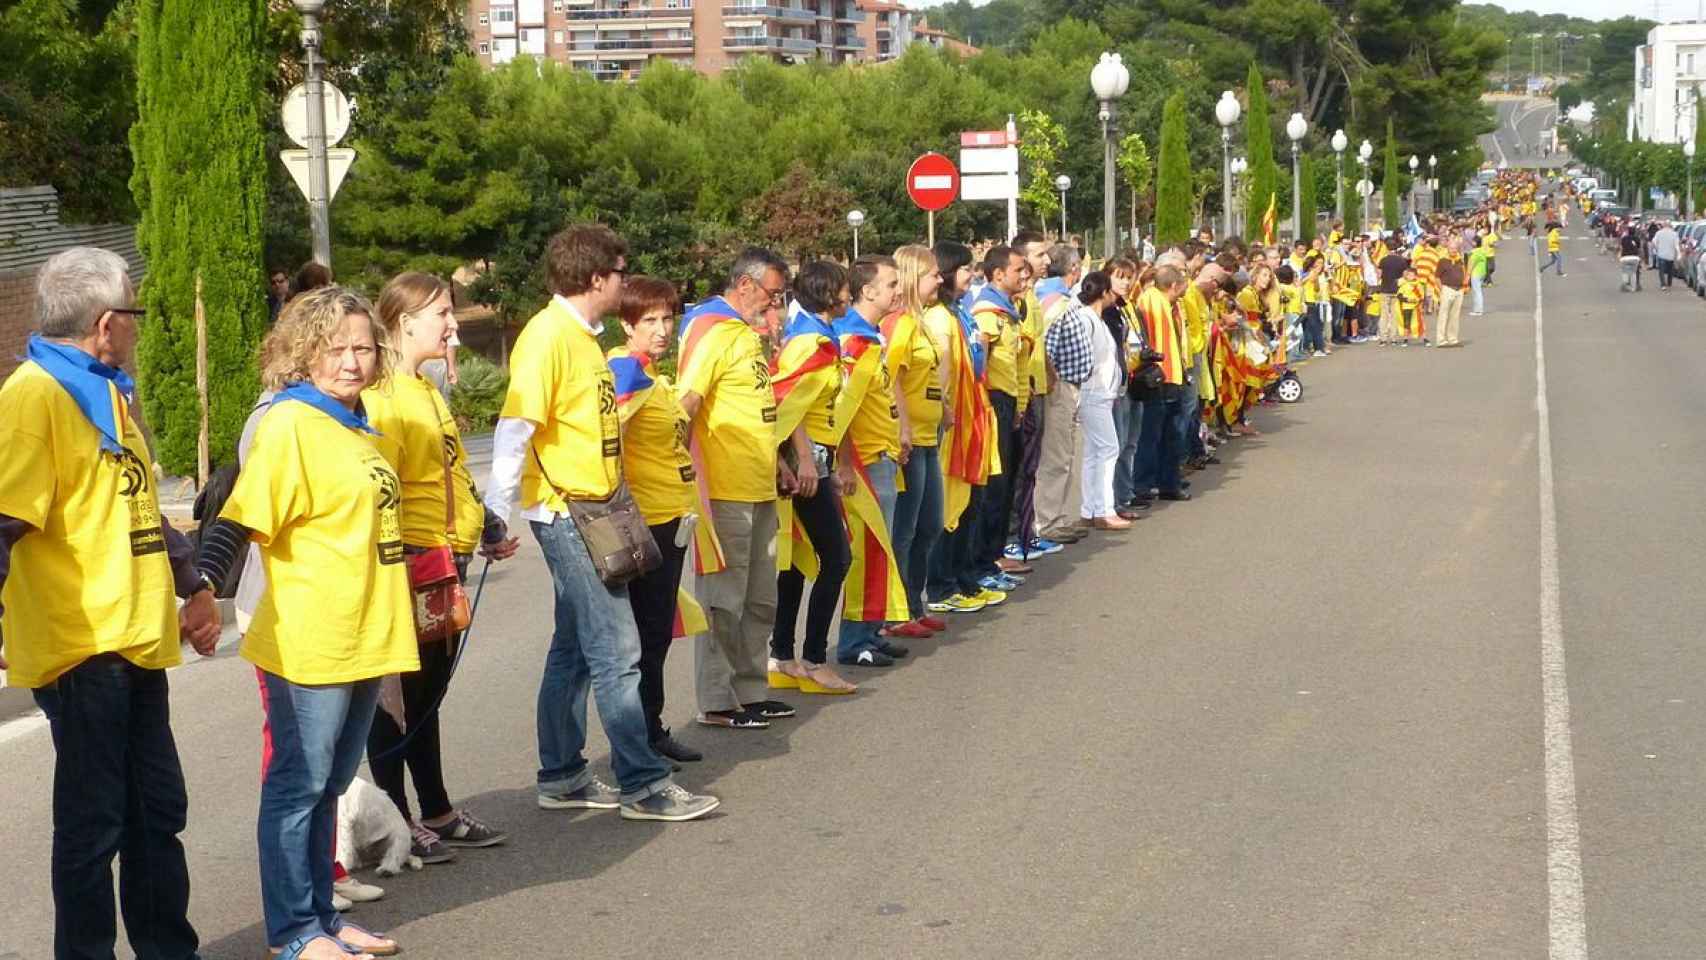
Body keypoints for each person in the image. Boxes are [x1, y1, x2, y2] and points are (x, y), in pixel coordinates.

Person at [0, 247, 220, 960]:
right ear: (105, 323)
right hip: (82, 644)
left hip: (132, 637)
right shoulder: (37, 396)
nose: (136, 327)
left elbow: (137, 506)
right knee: (95, 827)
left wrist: (194, 584)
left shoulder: (101, 389)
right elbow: (3, 519)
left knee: (157, 813)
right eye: (134, 313)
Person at [195, 285, 418, 960]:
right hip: (309, 639)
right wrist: (201, 586)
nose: (352, 361)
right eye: (335, 348)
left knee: (328, 790)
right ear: (303, 352)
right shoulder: (291, 423)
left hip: (363, 635)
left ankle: (323, 915)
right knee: (298, 789)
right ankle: (293, 932)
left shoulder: (352, 423)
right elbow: (237, 517)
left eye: (363, 347)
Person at [484, 224, 719, 820]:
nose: (624, 279)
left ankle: (562, 774)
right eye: (620, 271)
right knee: (618, 647)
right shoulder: (548, 338)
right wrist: (495, 513)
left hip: (592, 507)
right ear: (596, 278)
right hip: (569, 511)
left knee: (574, 649)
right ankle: (643, 784)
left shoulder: (581, 337)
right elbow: (516, 427)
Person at [362, 272, 517, 864]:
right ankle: (397, 818)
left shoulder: (422, 388)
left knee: (429, 694)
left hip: (441, 557)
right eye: (442, 314)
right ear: (403, 322)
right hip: (410, 560)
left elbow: (448, 472)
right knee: (398, 699)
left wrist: (484, 524)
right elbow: (385, 490)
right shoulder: (384, 397)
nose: (453, 324)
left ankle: (437, 808)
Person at [678, 247, 798, 726]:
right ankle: (718, 698)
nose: (775, 307)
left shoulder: (745, 336)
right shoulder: (713, 331)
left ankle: (750, 688)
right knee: (723, 600)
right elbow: (687, 402)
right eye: (771, 296)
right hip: (724, 487)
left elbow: (755, 408)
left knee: (760, 596)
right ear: (744, 285)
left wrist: (777, 463)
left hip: (758, 482)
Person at [606, 275, 713, 757]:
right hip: (644, 524)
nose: (663, 329)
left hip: (673, 519)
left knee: (658, 633)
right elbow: (605, 443)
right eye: (649, 320)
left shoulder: (651, 374)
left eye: (668, 318)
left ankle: (651, 728)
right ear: (626, 324)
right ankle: (642, 738)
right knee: (645, 637)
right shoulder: (626, 371)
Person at [768, 261, 859, 694]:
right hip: (809, 459)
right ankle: (814, 658)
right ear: (829, 293)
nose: (850, 294)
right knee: (836, 558)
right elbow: (790, 404)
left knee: (798, 561)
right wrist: (804, 458)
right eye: (845, 288)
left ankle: (784, 656)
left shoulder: (820, 338)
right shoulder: (811, 342)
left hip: (818, 456)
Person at [832, 255, 913, 668]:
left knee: (880, 550)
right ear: (867, 291)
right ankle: (852, 641)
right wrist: (845, 463)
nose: (899, 290)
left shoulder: (872, 334)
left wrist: (898, 431)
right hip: (862, 461)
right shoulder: (850, 339)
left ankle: (870, 631)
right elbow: (841, 407)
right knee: (864, 551)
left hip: (881, 454)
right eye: (892, 283)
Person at [924, 241, 1003, 616]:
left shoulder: (959, 313)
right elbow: (941, 375)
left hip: (973, 420)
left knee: (970, 504)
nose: (971, 275)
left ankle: (963, 579)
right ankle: (942, 584)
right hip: (953, 426)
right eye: (965, 269)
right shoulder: (939, 318)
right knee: (950, 509)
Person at [883, 246, 948, 641]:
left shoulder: (918, 321)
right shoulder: (901, 324)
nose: (939, 281)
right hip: (911, 441)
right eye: (933, 274)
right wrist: (903, 428)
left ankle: (912, 602)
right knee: (905, 531)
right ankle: (896, 610)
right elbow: (889, 378)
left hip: (929, 437)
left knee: (930, 525)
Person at [969, 245, 1029, 591]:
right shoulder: (988, 313)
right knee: (993, 484)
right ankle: (982, 561)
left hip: (1008, 401)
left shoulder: (1010, 311)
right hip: (991, 402)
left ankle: (992, 556)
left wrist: (1019, 405)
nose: (1024, 276)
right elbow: (982, 365)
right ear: (997, 274)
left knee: (1006, 481)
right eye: (1018, 270)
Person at [1030, 243, 1086, 545]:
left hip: (1067, 385)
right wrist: (1050, 382)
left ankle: (1059, 516)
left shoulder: (1059, 298)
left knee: (1065, 454)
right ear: (1073, 269)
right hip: (1058, 387)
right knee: (1056, 456)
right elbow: (1045, 349)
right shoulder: (1053, 301)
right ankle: (1049, 521)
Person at [1064, 271, 1129, 530]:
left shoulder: (1094, 318)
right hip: (1093, 392)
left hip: (1100, 392)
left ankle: (1091, 508)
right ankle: (1103, 508)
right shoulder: (1086, 318)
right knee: (1108, 448)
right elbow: (1084, 356)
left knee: (1096, 451)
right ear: (1103, 292)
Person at [1131, 264, 1190, 504]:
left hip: (1171, 374)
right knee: (1153, 435)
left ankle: (1167, 482)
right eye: (1181, 288)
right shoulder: (1152, 301)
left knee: (1170, 435)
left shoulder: (1163, 302)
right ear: (1173, 286)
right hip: (1160, 377)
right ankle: (1145, 485)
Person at [1375, 240, 1408, 345]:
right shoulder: (1402, 261)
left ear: (1387, 248)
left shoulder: (1383, 260)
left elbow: (1379, 275)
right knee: (1395, 315)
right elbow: (1405, 275)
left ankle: (1383, 339)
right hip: (1397, 290)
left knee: (1384, 315)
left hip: (1385, 289)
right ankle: (1394, 338)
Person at [1649, 220, 1677, 288]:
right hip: (1670, 255)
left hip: (1661, 254)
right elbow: (1676, 245)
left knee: (1661, 270)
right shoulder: (1674, 234)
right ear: (1670, 225)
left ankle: (1663, 284)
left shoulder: (1658, 233)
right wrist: (1678, 254)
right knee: (1670, 270)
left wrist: (1656, 249)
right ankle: (1669, 283)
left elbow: (1654, 242)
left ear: (1663, 225)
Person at [1468, 239, 1490, 316]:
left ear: (1475, 243)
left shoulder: (1475, 253)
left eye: (1473, 241)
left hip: (1476, 273)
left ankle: (1478, 310)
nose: (1471, 242)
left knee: (1477, 291)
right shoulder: (1482, 250)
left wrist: (1468, 274)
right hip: (1482, 272)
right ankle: (1477, 309)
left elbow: (1471, 264)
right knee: (1477, 291)